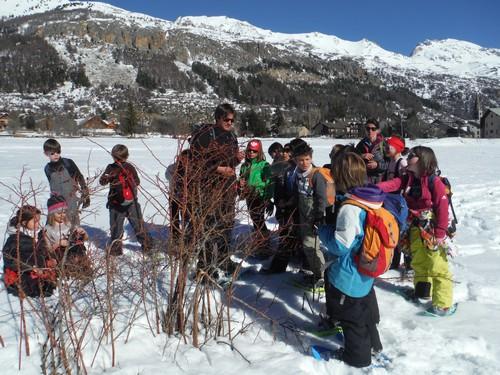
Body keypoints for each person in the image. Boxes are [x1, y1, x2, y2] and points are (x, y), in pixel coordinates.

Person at [318, 152, 383, 368]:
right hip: (365, 269)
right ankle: (373, 345)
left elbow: (340, 245)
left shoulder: (350, 208)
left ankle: (357, 358)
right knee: (362, 313)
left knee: (351, 320)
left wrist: (324, 231)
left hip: (349, 273)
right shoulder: (370, 199)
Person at [378, 146, 454, 316]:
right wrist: (377, 188)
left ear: (423, 160)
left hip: (432, 231)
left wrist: (441, 232)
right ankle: (422, 292)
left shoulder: (435, 183)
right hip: (414, 227)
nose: (408, 157)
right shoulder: (409, 178)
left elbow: (442, 208)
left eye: (412, 155)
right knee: (419, 262)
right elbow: (395, 183)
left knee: (437, 266)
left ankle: (443, 305)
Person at [189, 103, 243, 279]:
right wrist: (218, 169)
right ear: (218, 118)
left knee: (227, 225)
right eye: (226, 119)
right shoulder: (205, 135)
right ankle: (203, 266)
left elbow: (230, 164)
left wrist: (236, 159)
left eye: (232, 120)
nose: (230, 123)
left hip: (227, 189)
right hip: (209, 188)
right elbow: (196, 163)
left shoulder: (231, 136)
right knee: (209, 226)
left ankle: (223, 260)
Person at [99, 144, 152, 256]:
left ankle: (146, 245)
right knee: (128, 227)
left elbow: (136, 181)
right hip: (122, 202)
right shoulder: (120, 167)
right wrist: (109, 177)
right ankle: (145, 246)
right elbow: (137, 181)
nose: (118, 160)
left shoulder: (120, 167)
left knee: (124, 228)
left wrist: (122, 179)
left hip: (124, 203)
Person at [287, 143, 327, 286]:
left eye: (307, 159)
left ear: (311, 158)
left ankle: (321, 276)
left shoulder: (316, 175)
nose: (304, 163)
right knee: (307, 245)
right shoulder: (297, 174)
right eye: (301, 160)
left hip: (314, 215)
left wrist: (319, 216)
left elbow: (322, 197)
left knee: (312, 245)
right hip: (303, 214)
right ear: (296, 160)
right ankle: (317, 273)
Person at [3, 205, 57, 298]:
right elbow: (11, 260)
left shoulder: (37, 234)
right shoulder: (14, 238)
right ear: (24, 222)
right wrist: (32, 267)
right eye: (35, 221)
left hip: (38, 268)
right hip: (24, 272)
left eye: (38, 221)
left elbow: (41, 251)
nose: (38, 224)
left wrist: (48, 259)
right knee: (40, 287)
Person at [43, 138, 90, 226]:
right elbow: (52, 184)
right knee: (54, 223)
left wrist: (85, 193)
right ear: (46, 154)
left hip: (70, 197)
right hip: (56, 199)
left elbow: (80, 177)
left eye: (58, 152)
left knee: (73, 221)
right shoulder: (47, 168)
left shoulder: (68, 163)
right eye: (52, 153)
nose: (56, 155)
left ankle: (74, 238)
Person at [239, 139, 273, 255]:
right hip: (249, 196)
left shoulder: (264, 165)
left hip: (260, 195)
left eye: (254, 151)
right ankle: (260, 242)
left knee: (259, 220)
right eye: (249, 150)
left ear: (259, 152)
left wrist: (268, 198)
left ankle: (264, 245)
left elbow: (270, 182)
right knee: (255, 220)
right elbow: (242, 179)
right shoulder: (245, 165)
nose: (251, 153)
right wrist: (241, 185)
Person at [43, 195, 91, 278]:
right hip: (61, 257)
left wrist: (83, 233)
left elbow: (86, 239)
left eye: (64, 212)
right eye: (59, 213)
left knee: (79, 247)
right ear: (51, 213)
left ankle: (83, 270)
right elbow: (48, 250)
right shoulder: (48, 229)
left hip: (76, 253)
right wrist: (59, 243)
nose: (62, 215)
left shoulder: (68, 224)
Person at [355, 119, 389, 184]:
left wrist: (377, 165)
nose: (370, 131)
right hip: (364, 181)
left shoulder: (384, 144)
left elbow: (389, 163)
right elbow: (353, 160)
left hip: (380, 181)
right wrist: (361, 156)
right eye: (368, 128)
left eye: (373, 129)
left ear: (378, 130)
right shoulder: (361, 144)